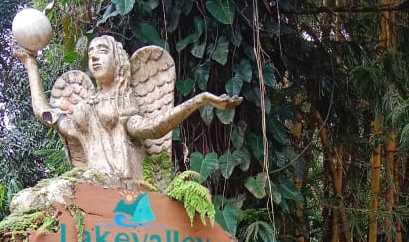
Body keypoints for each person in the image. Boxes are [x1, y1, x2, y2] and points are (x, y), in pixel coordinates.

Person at [14, 35, 241, 186]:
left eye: (102, 51)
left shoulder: (124, 102)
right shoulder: (84, 105)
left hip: (125, 185)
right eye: (91, 53)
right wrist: (31, 65)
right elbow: (45, 113)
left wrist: (200, 100)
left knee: (60, 190)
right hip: (92, 182)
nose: (94, 57)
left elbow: (153, 128)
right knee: (26, 200)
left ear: (118, 60)